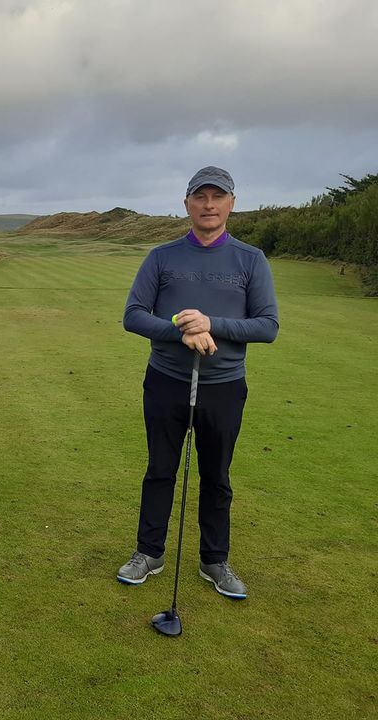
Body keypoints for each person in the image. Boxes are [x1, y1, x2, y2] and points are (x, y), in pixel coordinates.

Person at [116, 166, 279, 599]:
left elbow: (267, 326)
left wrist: (211, 324)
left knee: (217, 475)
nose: (209, 205)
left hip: (224, 386)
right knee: (160, 470)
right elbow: (133, 315)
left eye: (217, 197)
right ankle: (149, 552)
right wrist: (181, 329)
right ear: (186, 204)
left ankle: (214, 560)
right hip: (166, 380)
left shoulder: (250, 259)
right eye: (200, 197)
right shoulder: (161, 257)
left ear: (231, 203)